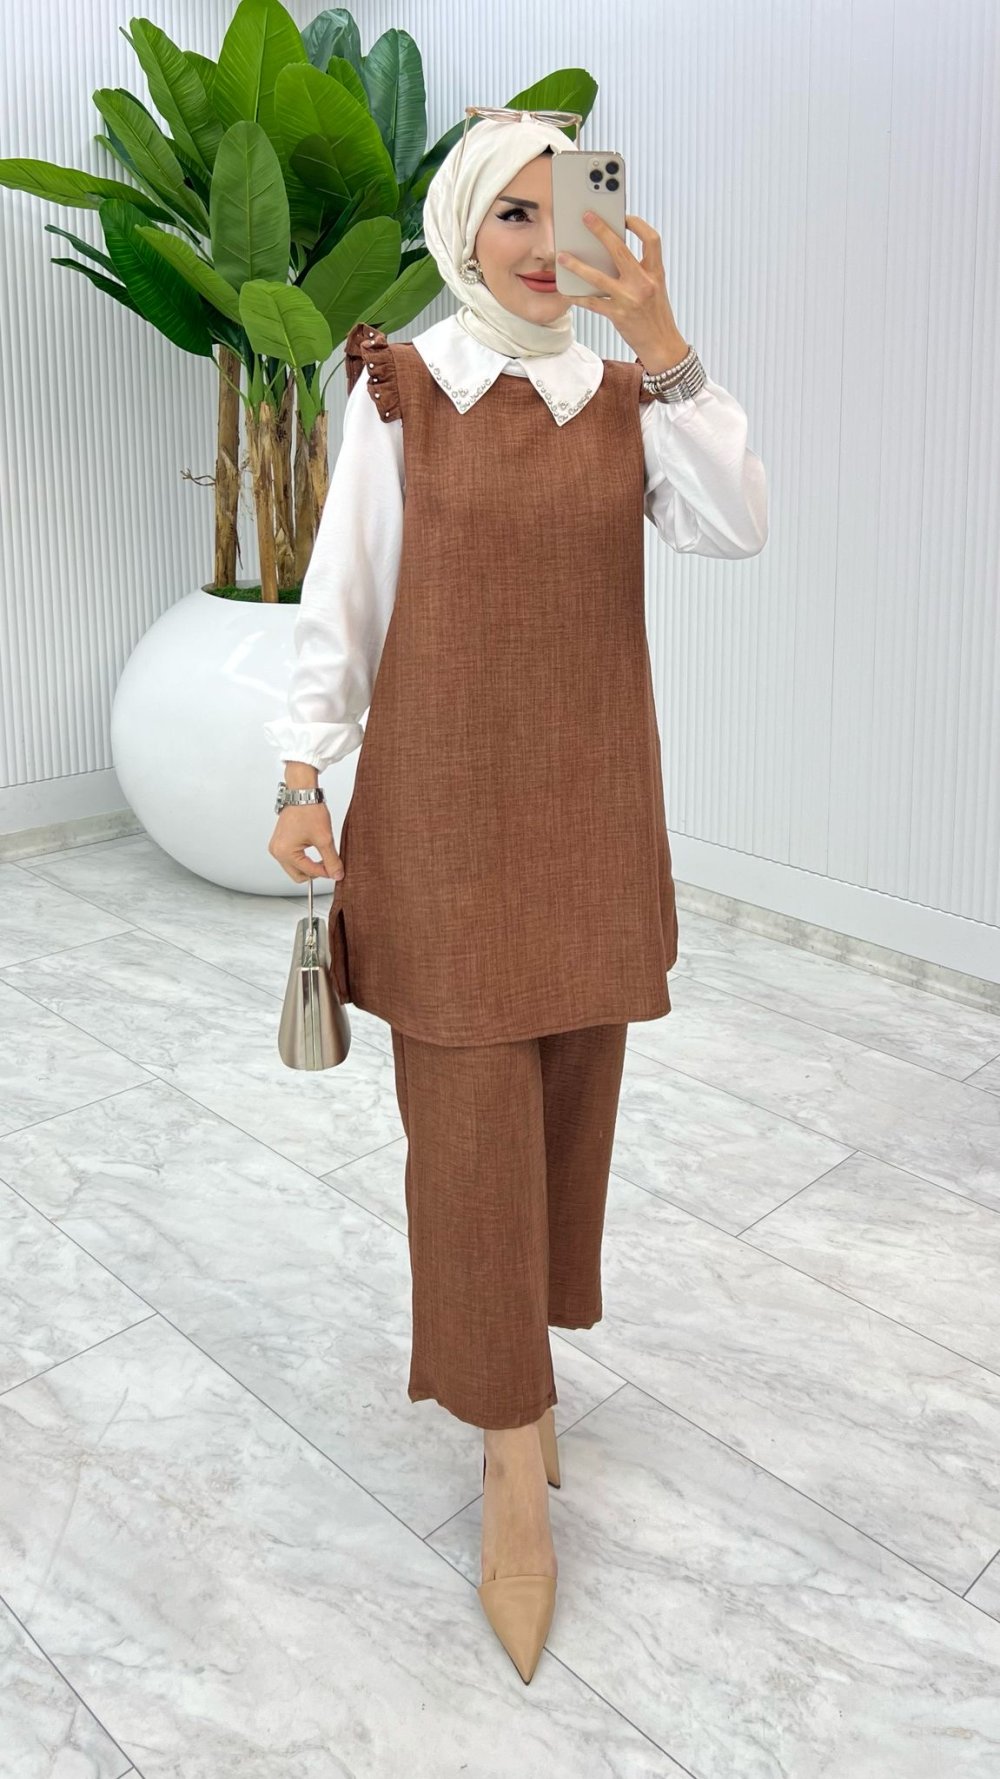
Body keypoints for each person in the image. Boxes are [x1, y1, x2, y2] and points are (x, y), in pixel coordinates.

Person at [266, 110, 768, 1684]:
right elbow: (344, 593)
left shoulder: (626, 402)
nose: (550, 249)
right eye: (516, 217)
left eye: (574, 213)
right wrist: (302, 771)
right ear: (462, 232)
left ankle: (529, 1378)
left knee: (565, 1112)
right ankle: (504, 1457)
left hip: (588, 818)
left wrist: (665, 344)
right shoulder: (405, 391)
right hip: (440, 821)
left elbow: (738, 525)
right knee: (468, 1132)